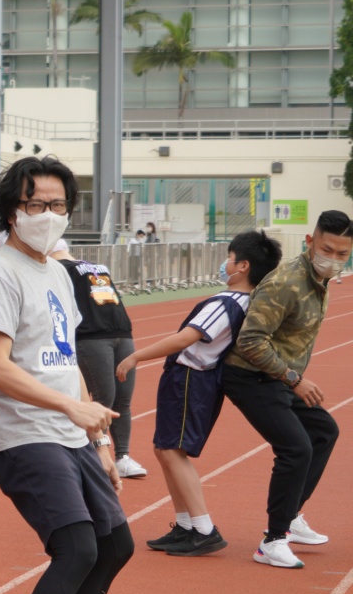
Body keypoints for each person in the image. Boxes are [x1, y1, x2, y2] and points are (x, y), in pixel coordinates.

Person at [0, 156, 131, 594]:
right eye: (36, 204)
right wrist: (68, 410)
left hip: (71, 432)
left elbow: (68, 364)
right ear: (11, 211)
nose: (48, 214)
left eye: (59, 205)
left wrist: (100, 437)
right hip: (24, 432)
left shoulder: (60, 274)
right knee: (76, 548)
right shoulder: (0, 274)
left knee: (115, 545)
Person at [118, 230, 283, 559]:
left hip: (191, 378)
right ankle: (186, 525)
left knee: (172, 451)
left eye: (230, 259)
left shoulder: (225, 303)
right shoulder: (249, 303)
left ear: (243, 266)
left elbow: (185, 338)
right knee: (165, 449)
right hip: (197, 379)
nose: (225, 264)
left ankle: (203, 528)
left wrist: (136, 356)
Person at [222, 207, 352, 570]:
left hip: (278, 377)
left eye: (342, 253)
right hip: (249, 376)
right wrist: (294, 379)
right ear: (310, 242)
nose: (333, 259)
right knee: (295, 449)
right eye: (327, 250)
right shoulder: (286, 283)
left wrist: (290, 378)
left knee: (324, 432)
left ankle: (290, 515)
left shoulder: (320, 279)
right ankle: (273, 541)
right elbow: (250, 341)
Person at [52, 241, 145, 480]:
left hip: (110, 332)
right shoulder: (87, 266)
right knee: (107, 398)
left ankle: (122, 457)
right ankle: (96, 455)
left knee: (119, 399)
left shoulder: (65, 268)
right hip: (99, 334)